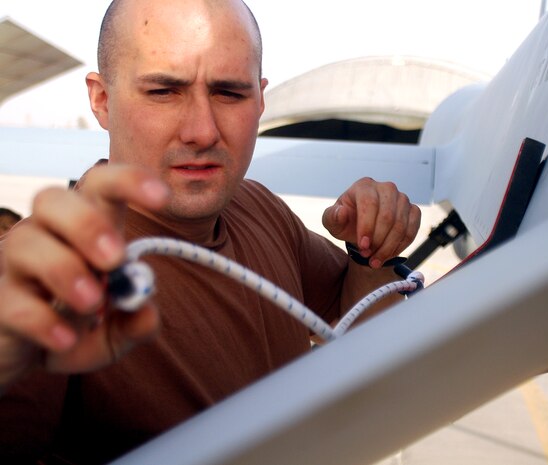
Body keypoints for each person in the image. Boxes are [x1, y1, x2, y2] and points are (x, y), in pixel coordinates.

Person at [0, 0, 421, 463]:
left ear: (260, 100)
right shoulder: (38, 276)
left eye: (229, 93)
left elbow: (348, 319)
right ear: (102, 100)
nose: (202, 131)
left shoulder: (257, 206)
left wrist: (369, 247)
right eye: (164, 91)